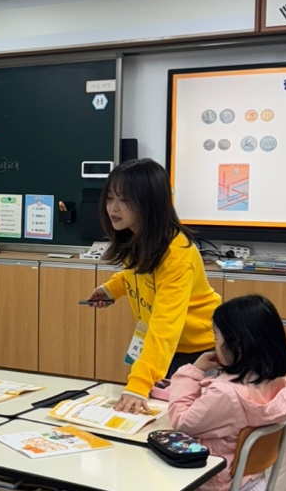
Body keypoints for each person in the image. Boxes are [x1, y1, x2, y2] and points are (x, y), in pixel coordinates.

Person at [84, 159, 220, 413]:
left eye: (125, 200)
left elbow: (165, 325)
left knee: (183, 422)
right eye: (110, 198)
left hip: (196, 352)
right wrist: (112, 289)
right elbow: (137, 274)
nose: (113, 208)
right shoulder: (136, 236)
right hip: (161, 349)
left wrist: (138, 384)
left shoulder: (176, 254)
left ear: (149, 203)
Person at [167, 294, 286, 491]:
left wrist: (193, 372)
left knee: (145, 482)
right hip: (250, 484)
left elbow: (182, 422)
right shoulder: (278, 382)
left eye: (216, 337)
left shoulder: (227, 394)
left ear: (236, 345)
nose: (214, 344)